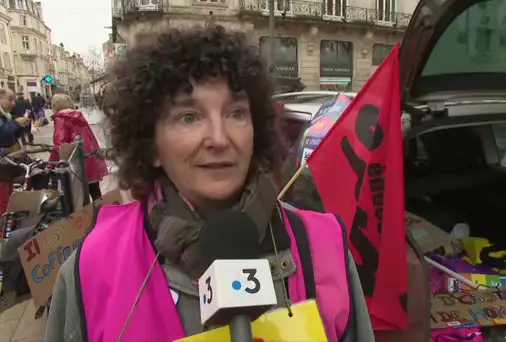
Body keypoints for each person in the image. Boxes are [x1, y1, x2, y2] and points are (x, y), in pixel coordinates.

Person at [45, 26, 374, 342]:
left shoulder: (324, 246)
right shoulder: (94, 268)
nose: (219, 139)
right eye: (189, 117)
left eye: (236, 113)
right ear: (152, 145)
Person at [49, 94, 108, 201]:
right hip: (90, 157)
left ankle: (86, 216)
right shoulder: (78, 116)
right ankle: (102, 213)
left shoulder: (61, 119)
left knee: (77, 197)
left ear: (54, 106)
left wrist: (51, 165)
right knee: (95, 192)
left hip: (76, 161)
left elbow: (60, 144)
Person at [0, 88, 29, 215]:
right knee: (3, 199)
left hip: (5, 166)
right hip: (2, 166)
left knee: (7, 195)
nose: (13, 103)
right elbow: (3, 133)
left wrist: (21, 126)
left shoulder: (4, 115)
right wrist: (17, 123)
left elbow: (10, 136)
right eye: (10, 99)